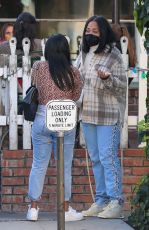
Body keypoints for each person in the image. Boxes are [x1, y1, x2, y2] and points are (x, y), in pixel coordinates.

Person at [26, 34, 83, 222]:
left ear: (47, 50)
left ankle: (33, 208)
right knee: (64, 165)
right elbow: (76, 96)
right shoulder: (74, 72)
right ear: (66, 50)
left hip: (42, 117)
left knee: (38, 164)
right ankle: (65, 209)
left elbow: (34, 88)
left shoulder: (38, 67)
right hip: (65, 119)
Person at [75, 15, 127, 218]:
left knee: (108, 158)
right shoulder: (83, 53)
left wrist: (108, 78)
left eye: (94, 32)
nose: (90, 34)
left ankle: (116, 202)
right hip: (87, 114)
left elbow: (122, 86)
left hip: (108, 116)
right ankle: (101, 200)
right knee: (95, 159)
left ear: (103, 33)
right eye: (88, 31)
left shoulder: (113, 55)